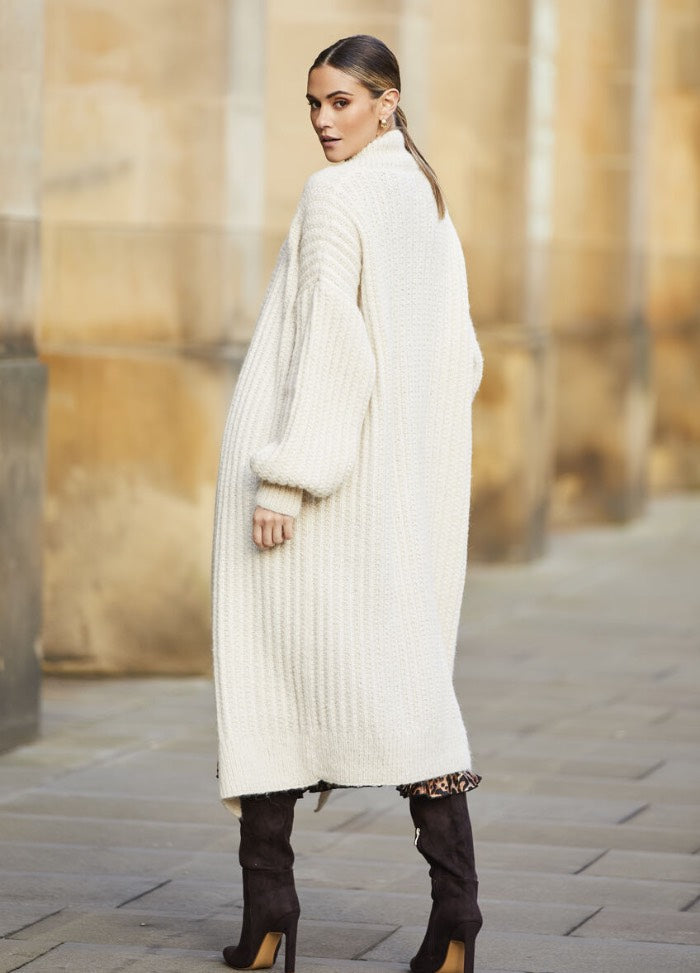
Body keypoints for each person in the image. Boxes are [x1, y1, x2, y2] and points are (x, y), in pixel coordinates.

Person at [211, 33, 484, 973]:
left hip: (318, 497)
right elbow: (463, 359)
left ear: (388, 101)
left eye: (341, 103)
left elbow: (331, 345)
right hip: (396, 499)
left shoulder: (340, 195)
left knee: (272, 692)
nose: (325, 123)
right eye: (314, 105)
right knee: (411, 697)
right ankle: (456, 927)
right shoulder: (424, 196)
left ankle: (270, 922)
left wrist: (287, 475)